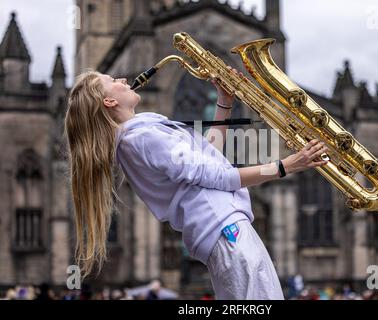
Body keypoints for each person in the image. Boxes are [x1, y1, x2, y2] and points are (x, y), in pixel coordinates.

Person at [64, 70, 328, 300]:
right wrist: (287, 166)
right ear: (109, 101)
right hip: (226, 230)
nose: (122, 79)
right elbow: (221, 176)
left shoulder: (140, 136)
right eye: (113, 81)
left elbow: (208, 160)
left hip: (224, 229)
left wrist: (224, 103)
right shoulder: (141, 137)